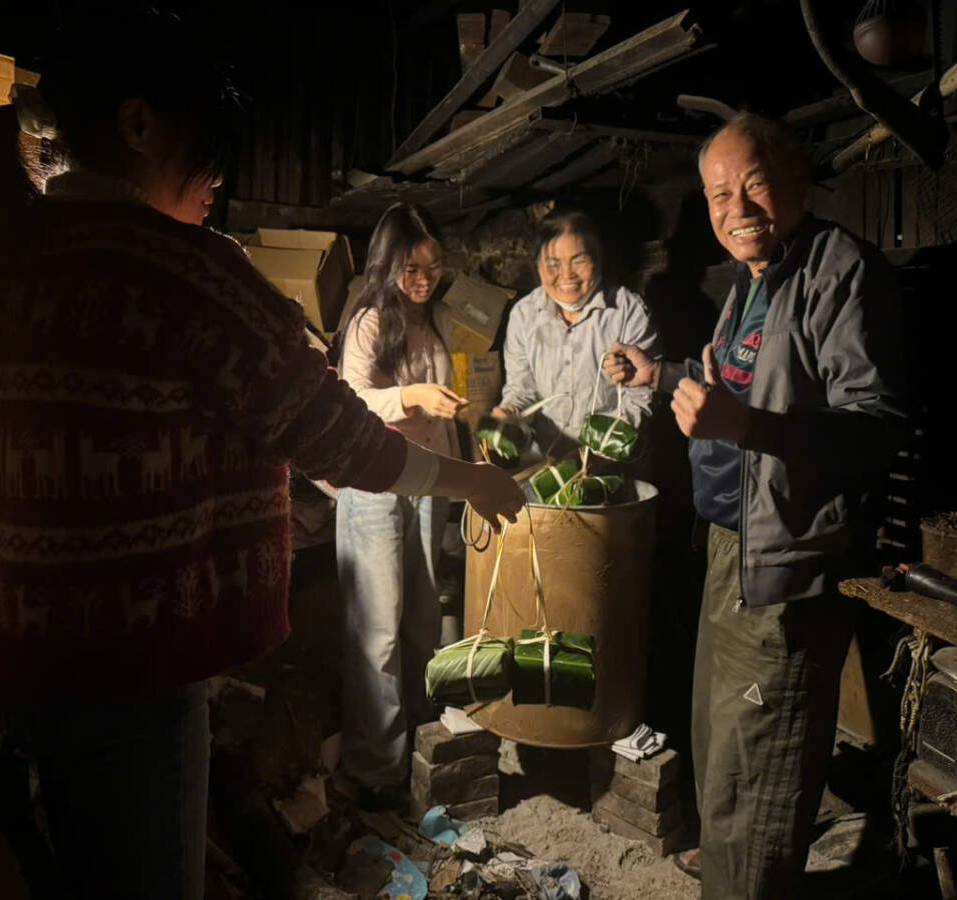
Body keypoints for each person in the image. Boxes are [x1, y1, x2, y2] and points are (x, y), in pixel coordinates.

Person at [0, 15, 523, 900]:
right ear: (138, 124)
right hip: (134, 665)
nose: (217, 179)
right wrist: (470, 480)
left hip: (14, 660)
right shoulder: (185, 271)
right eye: (206, 150)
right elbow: (334, 431)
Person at [605, 113, 909, 899]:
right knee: (721, 739)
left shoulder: (842, 272)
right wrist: (662, 375)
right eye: (718, 194)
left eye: (755, 184)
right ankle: (729, 869)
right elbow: (738, 390)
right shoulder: (751, 278)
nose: (735, 208)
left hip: (786, 563)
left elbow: (874, 428)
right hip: (728, 547)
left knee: (762, 765)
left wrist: (742, 427)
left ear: (796, 180)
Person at [335, 203, 465, 809]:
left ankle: (418, 745)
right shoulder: (368, 322)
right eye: (412, 269)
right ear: (387, 264)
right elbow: (350, 400)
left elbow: (446, 415)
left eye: (433, 267)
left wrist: (463, 476)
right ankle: (375, 770)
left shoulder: (438, 319)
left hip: (426, 483)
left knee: (421, 619)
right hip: (374, 486)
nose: (424, 280)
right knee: (379, 632)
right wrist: (410, 396)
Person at [493, 211, 659, 463]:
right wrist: (509, 414)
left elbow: (641, 399)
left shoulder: (628, 312)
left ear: (598, 258)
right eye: (553, 264)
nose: (566, 275)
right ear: (538, 266)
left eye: (578, 261)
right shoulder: (524, 315)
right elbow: (521, 389)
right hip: (544, 464)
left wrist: (597, 454)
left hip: (610, 464)